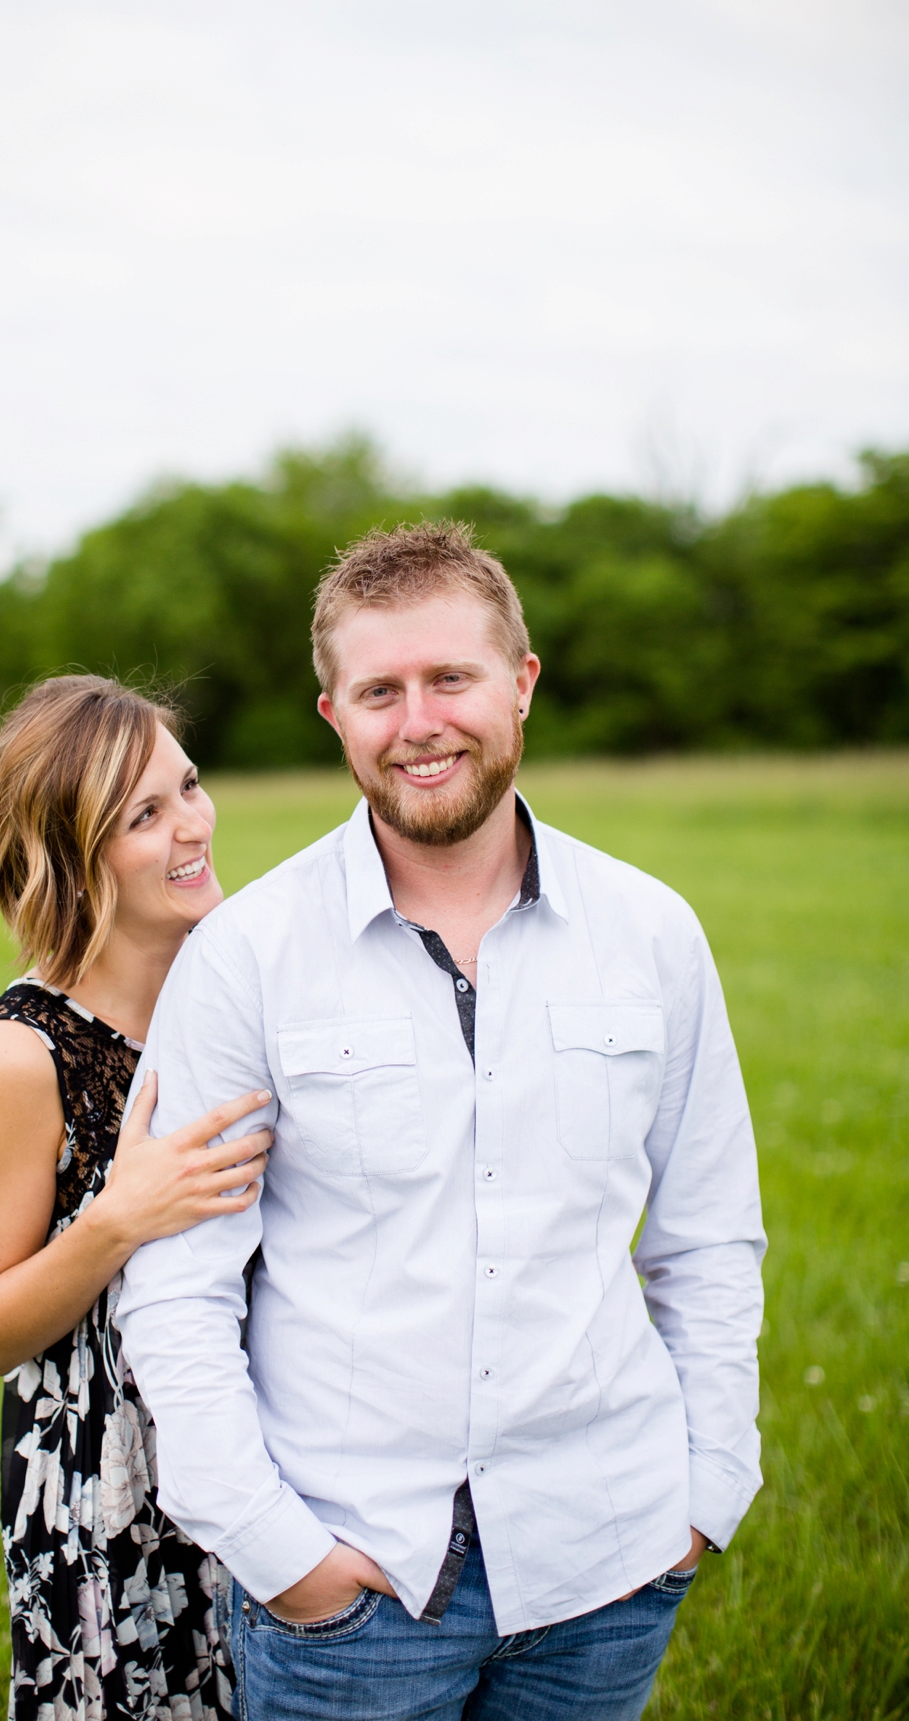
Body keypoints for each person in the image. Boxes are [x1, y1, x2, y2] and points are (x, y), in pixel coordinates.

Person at [116, 522, 766, 1721]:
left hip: (607, 1563)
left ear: (519, 684)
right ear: (334, 716)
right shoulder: (246, 956)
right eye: (379, 691)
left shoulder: (651, 933)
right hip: (351, 1588)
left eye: (450, 678)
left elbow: (706, 1236)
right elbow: (175, 1282)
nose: (417, 722)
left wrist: (701, 1494)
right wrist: (282, 1557)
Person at [0, 674, 273, 1721]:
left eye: (187, 786)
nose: (191, 826)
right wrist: (119, 1216)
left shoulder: (238, 990)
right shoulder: (22, 1053)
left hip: (266, 1451)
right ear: (70, 857)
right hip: (109, 1498)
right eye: (143, 814)